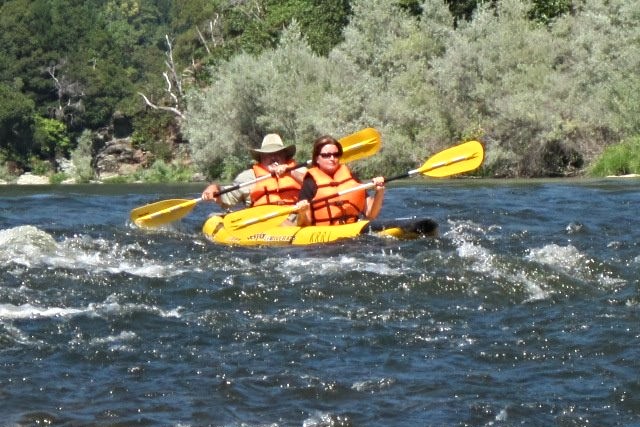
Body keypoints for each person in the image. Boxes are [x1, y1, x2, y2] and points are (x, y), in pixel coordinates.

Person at [295, 135, 385, 226]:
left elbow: (371, 214)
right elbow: (304, 225)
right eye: (326, 155)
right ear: (317, 159)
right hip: (325, 234)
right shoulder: (310, 182)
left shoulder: (351, 177)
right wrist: (302, 213)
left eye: (336, 155)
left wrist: (379, 192)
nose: (332, 159)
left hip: (352, 228)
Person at [201, 134, 305, 209]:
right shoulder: (248, 177)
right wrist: (213, 188)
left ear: (285, 156)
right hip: (263, 221)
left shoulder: (299, 171)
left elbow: (316, 186)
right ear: (261, 157)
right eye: (268, 154)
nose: (274, 157)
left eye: (278, 153)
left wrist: (290, 172)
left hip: (295, 216)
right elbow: (226, 196)